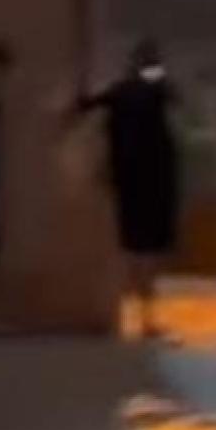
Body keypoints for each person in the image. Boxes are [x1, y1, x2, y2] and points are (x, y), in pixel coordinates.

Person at [78, 39, 180, 338]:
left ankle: (125, 315)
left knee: (131, 253)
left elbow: (87, 106)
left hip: (126, 182)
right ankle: (143, 318)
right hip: (154, 183)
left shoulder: (120, 93)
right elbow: (173, 100)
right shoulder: (158, 92)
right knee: (147, 255)